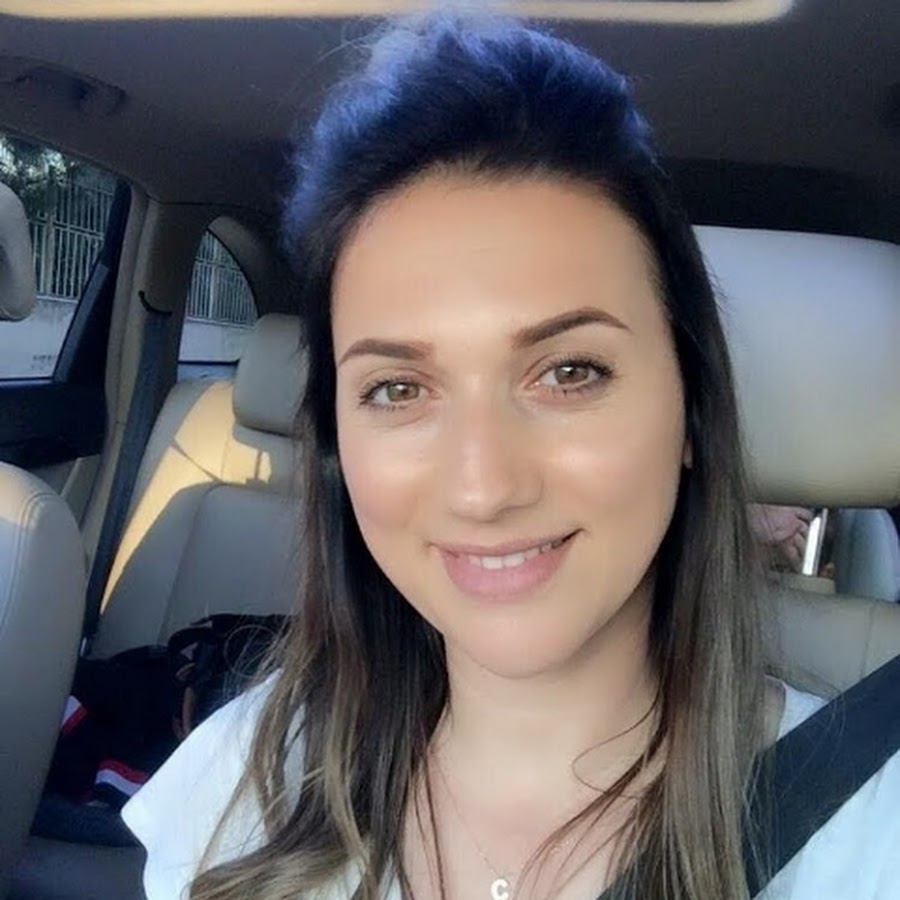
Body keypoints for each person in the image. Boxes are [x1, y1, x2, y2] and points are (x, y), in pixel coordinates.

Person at [121, 13, 900, 900]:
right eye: (398, 389)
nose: (484, 487)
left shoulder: (872, 834)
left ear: (689, 409)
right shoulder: (238, 788)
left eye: (570, 372)